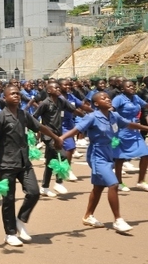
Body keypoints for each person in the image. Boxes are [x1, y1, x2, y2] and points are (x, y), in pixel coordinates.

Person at [0, 85, 63, 247]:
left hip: (24, 162)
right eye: (13, 94)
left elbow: (39, 127)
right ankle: (9, 233)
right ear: (5, 98)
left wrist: (56, 137)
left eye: (18, 93)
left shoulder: (24, 115)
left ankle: (20, 220)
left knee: (33, 192)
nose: (17, 96)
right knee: (9, 200)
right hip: (6, 164)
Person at [60, 92, 148, 232]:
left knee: (98, 187)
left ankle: (88, 216)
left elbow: (129, 124)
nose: (108, 99)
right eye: (103, 98)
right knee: (113, 184)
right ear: (96, 104)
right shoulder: (92, 116)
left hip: (109, 153)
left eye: (108, 98)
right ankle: (118, 220)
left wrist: (145, 128)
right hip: (96, 155)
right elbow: (77, 129)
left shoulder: (114, 116)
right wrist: (61, 138)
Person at [112, 80, 148, 192]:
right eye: (129, 86)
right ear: (122, 89)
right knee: (120, 158)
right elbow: (111, 110)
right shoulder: (119, 99)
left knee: (145, 154)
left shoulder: (136, 98)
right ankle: (118, 182)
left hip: (135, 131)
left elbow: (146, 105)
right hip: (121, 131)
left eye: (133, 86)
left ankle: (141, 181)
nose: (132, 88)